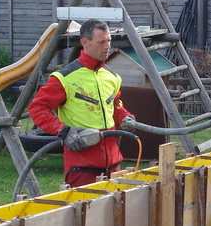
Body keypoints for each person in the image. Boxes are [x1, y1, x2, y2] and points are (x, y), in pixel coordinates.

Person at [29, 18, 135, 188]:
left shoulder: (112, 77)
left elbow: (115, 105)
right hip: (83, 166)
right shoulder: (64, 78)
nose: (107, 46)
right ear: (85, 43)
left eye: (109, 41)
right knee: (83, 213)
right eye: (101, 42)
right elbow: (37, 108)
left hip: (113, 163)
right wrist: (64, 131)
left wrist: (125, 117)